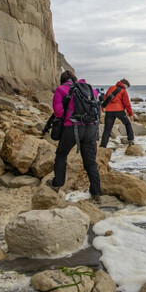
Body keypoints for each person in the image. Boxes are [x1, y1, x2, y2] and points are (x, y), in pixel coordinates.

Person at [48, 70, 103, 198]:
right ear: (75, 79)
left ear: (63, 80)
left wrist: (66, 118)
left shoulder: (61, 90)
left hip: (71, 128)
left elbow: (58, 112)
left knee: (61, 154)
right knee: (90, 162)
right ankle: (96, 192)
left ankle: (57, 184)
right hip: (90, 128)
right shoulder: (91, 89)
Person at [100, 78, 135, 148]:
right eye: (127, 87)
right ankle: (130, 140)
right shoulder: (123, 91)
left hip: (109, 111)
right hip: (119, 110)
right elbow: (126, 103)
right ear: (125, 85)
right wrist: (130, 114)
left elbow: (105, 98)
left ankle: (103, 146)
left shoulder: (111, 88)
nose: (126, 88)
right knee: (127, 123)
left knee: (107, 129)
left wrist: (102, 108)